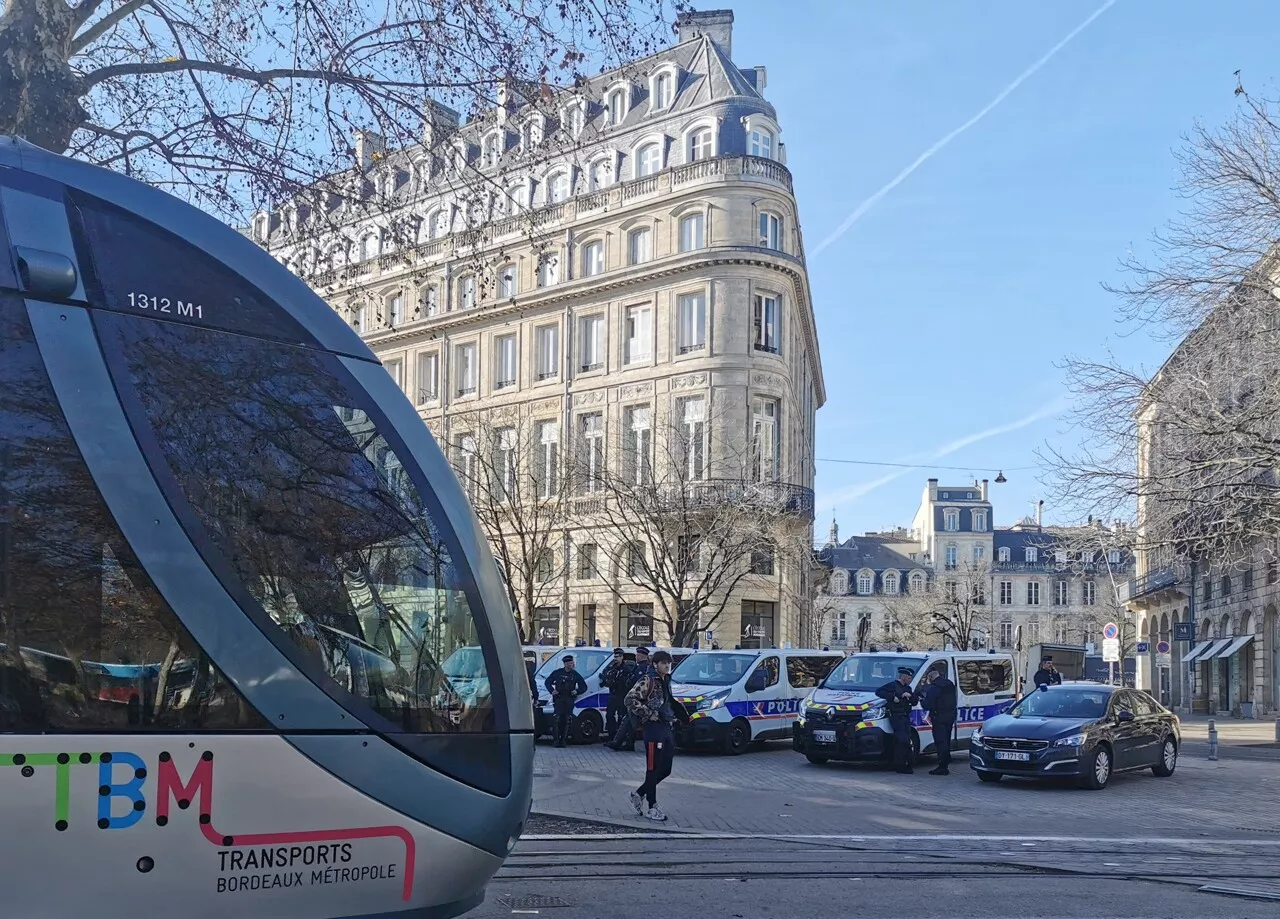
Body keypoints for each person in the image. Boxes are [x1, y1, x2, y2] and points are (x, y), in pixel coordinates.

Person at [624, 649, 690, 821]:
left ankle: (639, 793)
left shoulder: (665, 680)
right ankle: (652, 807)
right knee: (652, 768)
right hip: (653, 728)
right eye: (663, 663)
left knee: (665, 768)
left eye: (669, 663)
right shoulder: (648, 680)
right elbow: (629, 699)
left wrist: (678, 716)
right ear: (655, 664)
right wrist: (648, 714)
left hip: (666, 727)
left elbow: (667, 702)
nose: (667, 666)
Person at [608, 646, 653, 751]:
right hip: (633, 698)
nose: (636, 656)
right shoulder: (638, 667)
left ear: (642, 656)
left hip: (637, 699)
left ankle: (622, 742)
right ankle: (622, 742)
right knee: (628, 721)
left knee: (630, 721)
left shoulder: (643, 668)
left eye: (637, 655)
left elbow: (638, 683)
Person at [876, 665, 918, 774]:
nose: (910, 680)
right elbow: (879, 692)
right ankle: (900, 764)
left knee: (906, 740)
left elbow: (914, 701)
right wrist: (892, 697)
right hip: (896, 716)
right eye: (909, 678)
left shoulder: (908, 688)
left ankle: (905, 763)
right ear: (903, 677)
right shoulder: (893, 686)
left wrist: (910, 696)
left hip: (905, 716)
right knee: (902, 740)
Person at [919, 665, 958, 776]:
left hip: (939, 717)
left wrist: (921, 700)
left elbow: (927, 704)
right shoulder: (949, 684)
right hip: (950, 715)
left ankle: (942, 766)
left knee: (940, 742)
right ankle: (946, 760)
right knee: (946, 739)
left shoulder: (935, 687)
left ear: (931, 676)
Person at [544, 654, 587, 748]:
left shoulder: (575, 674)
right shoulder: (558, 673)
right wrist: (552, 691)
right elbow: (547, 682)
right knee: (556, 719)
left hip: (569, 699)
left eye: (572, 663)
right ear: (565, 664)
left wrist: (577, 691)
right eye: (570, 663)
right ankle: (556, 740)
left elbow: (584, 687)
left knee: (567, 720)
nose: (571, 665)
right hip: (559, 699)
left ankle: (563, 740)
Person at [600, 648, 636, 740]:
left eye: (618, 656)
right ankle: (611, 736)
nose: (616, 658)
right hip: (612, 694)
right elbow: (605, 676)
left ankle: (619, 738)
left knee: (621, 716)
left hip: (622, 695)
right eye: (615, 656)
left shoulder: (626, 668)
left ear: (622, 657)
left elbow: (626, 682)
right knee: (609, 715)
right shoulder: (612, 667)